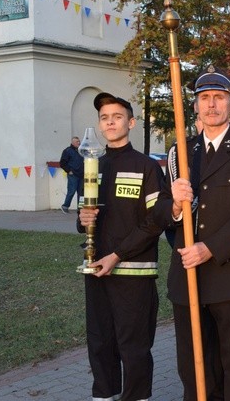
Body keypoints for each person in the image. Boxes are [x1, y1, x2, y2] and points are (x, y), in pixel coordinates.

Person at [154, 66, 230, 400]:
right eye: (204, 98)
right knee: (193, 367)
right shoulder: (180, 151)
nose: (211, 105)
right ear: (194, 106)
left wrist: (210, 247)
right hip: (188, 276)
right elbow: (162, 211)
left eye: (219, 98)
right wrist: (176, 206)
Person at [77, 92, 164, 401]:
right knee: (100, 341)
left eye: (116, 116)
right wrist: (82, 217)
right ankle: (103, 394)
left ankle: (137, 395)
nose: (110, 121)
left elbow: (155, 222)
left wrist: (117, 255)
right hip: (97, 269)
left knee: (134, 344)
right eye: (104, 117)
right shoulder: (93, 166)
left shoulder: (147, 168)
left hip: (134, 271)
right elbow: (84, 222)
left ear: (130, 122)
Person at [59, 136, 83, 213]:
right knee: (71, 191)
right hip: (73, 175)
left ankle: (80, 208)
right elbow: (62, 163)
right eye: (77, 142)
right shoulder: (67, 151)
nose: (79, 143)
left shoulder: (81, 151)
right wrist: (68, 171)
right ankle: (65, 206)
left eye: (79, 141)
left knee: (81, 192)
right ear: (72, 143)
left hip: (82, 175)